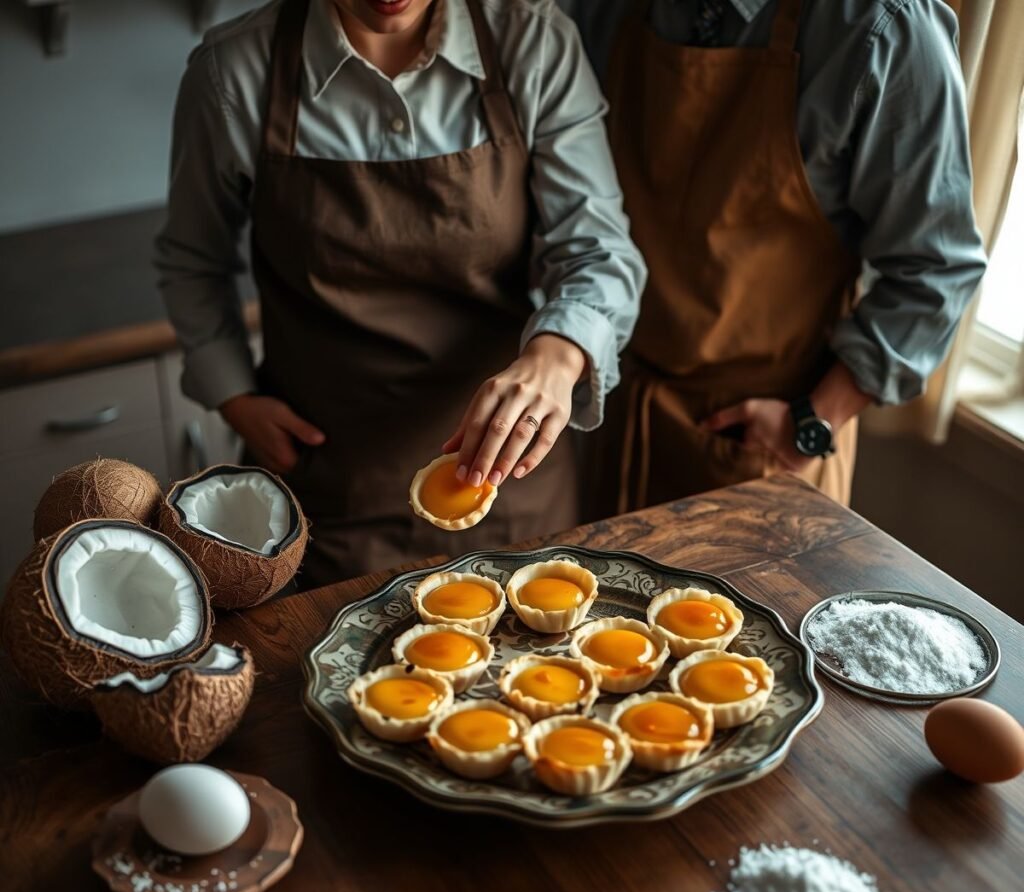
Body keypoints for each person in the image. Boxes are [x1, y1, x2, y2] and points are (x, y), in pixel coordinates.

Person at [156, 0, 645, 585]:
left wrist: (557, 357)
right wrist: (232, 392)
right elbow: (192, 259)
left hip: (509, 481)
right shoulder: (232, 69)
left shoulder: (534, 42)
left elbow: (598, 249)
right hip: (326, 491)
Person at [560, 0, 987, 513]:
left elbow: (938, 267)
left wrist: (812, 420)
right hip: (615, 425)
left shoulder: (885, 23)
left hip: (765, 446)